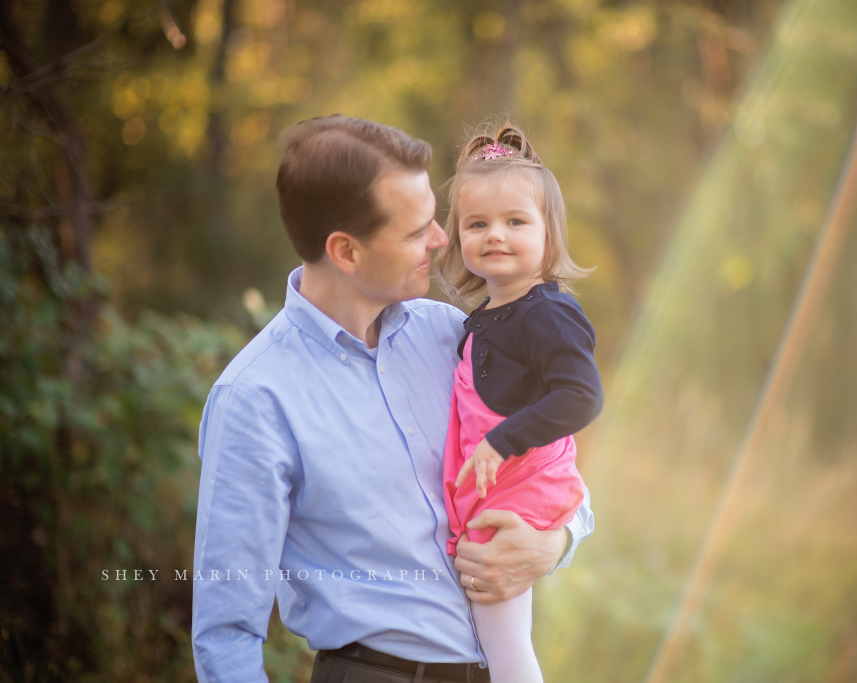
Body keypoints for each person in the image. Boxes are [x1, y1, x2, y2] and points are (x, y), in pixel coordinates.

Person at [190, 115, 594, 683]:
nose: (442, 239)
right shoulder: (256, 398)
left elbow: (549, 463)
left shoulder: (454, 334)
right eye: (416, 231)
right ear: (346, 252)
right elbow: (226, 633)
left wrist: (556, 542)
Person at [435, 123, 603, 683]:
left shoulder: (547, 312)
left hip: (524, 483)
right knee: (488, 636)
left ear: (548, 235)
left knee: (503, 637)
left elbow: (581, 396)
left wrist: (500, 441)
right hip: (496, 484)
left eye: (515, 221)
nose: (495, 235)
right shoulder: (478, 319)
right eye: (477, 224)